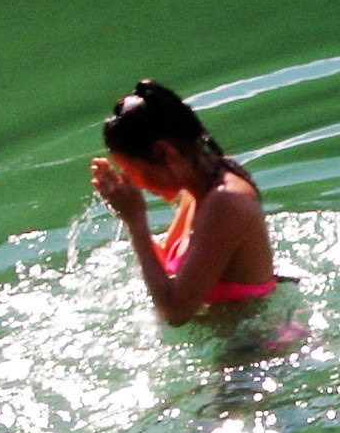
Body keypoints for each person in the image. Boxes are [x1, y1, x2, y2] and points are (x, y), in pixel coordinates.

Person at [89, 79, 281, 324]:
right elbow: (167, 274)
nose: (136, 185)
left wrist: (135, 220)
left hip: (257, 352)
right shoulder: (198, 191)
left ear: (163, 153)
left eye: (131, 170)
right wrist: (130, 214)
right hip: (229, 349)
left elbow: (175, 311)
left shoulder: (226, 200)